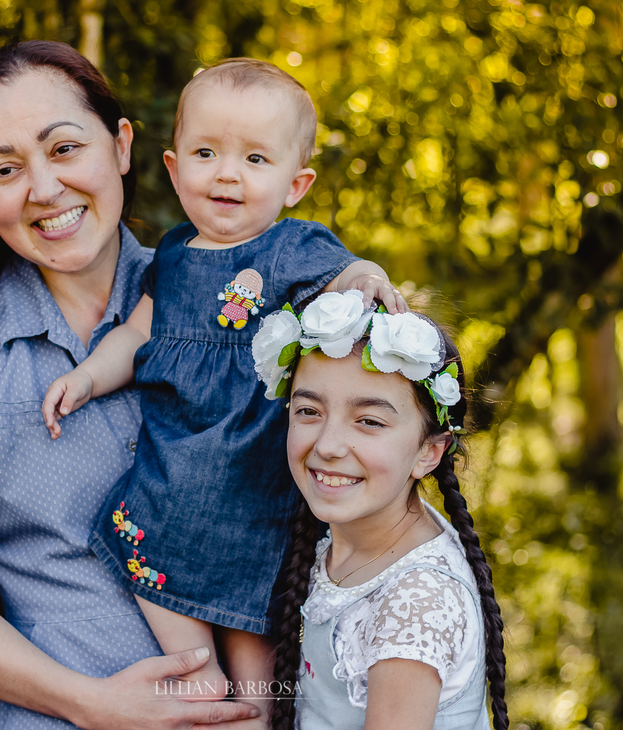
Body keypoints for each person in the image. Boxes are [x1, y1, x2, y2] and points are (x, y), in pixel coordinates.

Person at [0, 41, 259, 730]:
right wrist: (97, 706)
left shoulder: (237, 301)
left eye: (63, 149)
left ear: (121, 145)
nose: (45, 189)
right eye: (5, 169)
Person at [41, 59, 407, 720]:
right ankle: (200, 684)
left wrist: (365, 274)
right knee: (148, 574)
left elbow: (345, 279)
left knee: (261, 670)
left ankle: (255, 714)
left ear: (295, 184)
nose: (228, 173)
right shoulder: (173, 256)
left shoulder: (292, 250)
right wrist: (86, 378)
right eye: (206, 153)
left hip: (253, 500)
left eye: (256, 159)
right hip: (171, 486)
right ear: (175, 169)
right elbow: (135, 335)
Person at [259, 291, 509, 730]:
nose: (328, 446)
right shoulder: (347, 539)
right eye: (308, 410)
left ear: (429, 453)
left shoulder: (416, 605)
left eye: (369, 421)